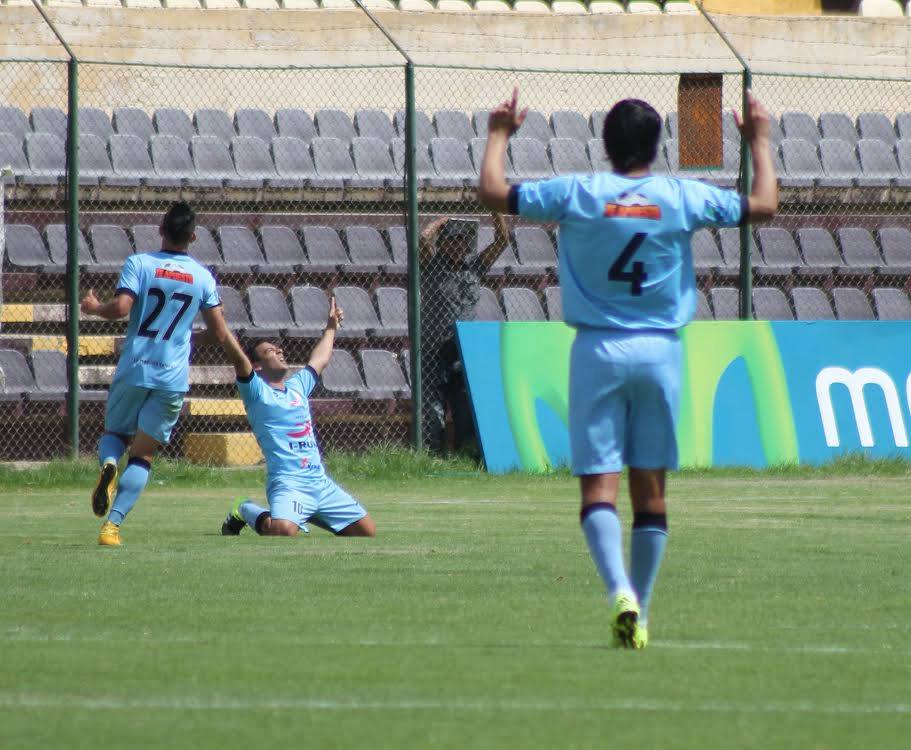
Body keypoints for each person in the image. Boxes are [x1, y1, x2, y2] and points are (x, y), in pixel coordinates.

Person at [479, 89, 778, 648]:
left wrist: (500, 132)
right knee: (652, 492)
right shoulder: (680, 196)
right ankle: (639, 606)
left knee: (599, 488)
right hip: (661, 351)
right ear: (657, 146)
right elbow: (763, 205)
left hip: (597, 350)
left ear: (606, 143)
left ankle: (617, 587)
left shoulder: (579, 192)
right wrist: (758, 139)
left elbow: (493, 191)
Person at [81, 201, 236, 546]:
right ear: (193, 236)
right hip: (171, 375)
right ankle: (112, 527)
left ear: (161, 229)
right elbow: (219, 331)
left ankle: (109, 464)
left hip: (136, 365)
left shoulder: (140, 263)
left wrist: (94, 308)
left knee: (116, 434)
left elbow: (121, 309)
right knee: (143, 452)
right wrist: (188, 336)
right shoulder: (202, 276)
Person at [218, 296, 376, 538]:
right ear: (257, 365)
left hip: (319, 482)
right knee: (282, 531)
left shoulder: (297, 386)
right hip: (288, 483)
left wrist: (331, 327)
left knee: (366, 532)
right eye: (269, 351)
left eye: (279, 348)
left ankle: (306, 511)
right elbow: (240, 360)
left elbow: (320, 360)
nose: (279, 351)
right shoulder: (256, 392)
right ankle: (244, 508)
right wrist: (219, 322)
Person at [420, 213, 509, 453]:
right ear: (443, 243)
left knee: (464, 410)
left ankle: (464, 455)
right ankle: (433, 457)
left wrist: (496, 212)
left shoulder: (474, 268)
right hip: (432, 350)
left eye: (461, 241)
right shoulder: (431, 265)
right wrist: (438, 224)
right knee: (433, 412)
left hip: (462, 352)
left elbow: (502, 241)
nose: (456, 245)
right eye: (451, 241)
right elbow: (422, 241)